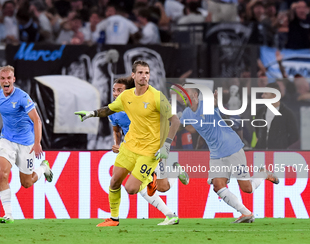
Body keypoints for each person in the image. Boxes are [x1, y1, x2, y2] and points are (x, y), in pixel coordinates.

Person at [75, 60, 180, 226]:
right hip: (130, 146)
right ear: (134, 75)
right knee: (114, 181)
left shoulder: (156, 96)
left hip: (149, 150)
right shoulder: (126, 96)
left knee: (132, 189)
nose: (144, 76)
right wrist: (91, 113)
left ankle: (153, 179)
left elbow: (175, 121)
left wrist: (166, 145)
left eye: (146, 73)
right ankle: (114, 218)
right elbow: (110, 109)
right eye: (140, 73)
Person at [179, 86, 279, 223]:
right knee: (217, 185)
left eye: (187, 92)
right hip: (215, 154)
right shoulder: (186, 113)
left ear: (195, 95)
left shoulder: (206, 105)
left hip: (232, 148)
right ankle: (246, 213)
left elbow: (214, 104)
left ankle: (262, 174)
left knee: (247, 189)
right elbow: (189, 127)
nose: (183, 95)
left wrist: (215, 99)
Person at [0, 65, 53, 224]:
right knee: (3, 173)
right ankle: (8, 215)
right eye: (3, 78)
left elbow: (37, 120)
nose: (6, 81)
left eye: (9, 78)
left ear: (13, 79)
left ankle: (44, 168)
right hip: (6, 140)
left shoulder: (22, 97)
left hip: (26, 143)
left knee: (26, 183)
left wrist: (37, 143)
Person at [109, 77, 189, 225]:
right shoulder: (114, 110)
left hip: (153, 149)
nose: (115, 93)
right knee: (142, 186)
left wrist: (164, 143)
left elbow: (167, 120)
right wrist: (117, 144)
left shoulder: (144, 104)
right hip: (133, 150)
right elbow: (116, 130)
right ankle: (170, 215)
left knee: (162, 187)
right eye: (114, 90)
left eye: (119, 90)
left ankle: (175, 171)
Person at [255, 82, 299, 149]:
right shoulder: (260, 112)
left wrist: (282, 147)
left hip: (279, 155)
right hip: (261, 153)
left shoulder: (287, 114)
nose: (262, 96)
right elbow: (257, 132)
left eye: (265, 94)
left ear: (274, 96)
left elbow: (294, 136)